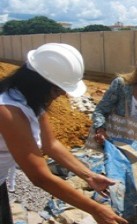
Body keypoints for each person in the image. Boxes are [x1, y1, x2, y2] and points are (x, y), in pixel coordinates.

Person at [0, 43, 128, 224]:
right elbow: (39, 177)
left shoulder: (28, 100)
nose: (61, 95)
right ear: (37, 82)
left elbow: (50, 144)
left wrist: (89, 175)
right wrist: (96, 210)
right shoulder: (7, 111)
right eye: (57, 89)